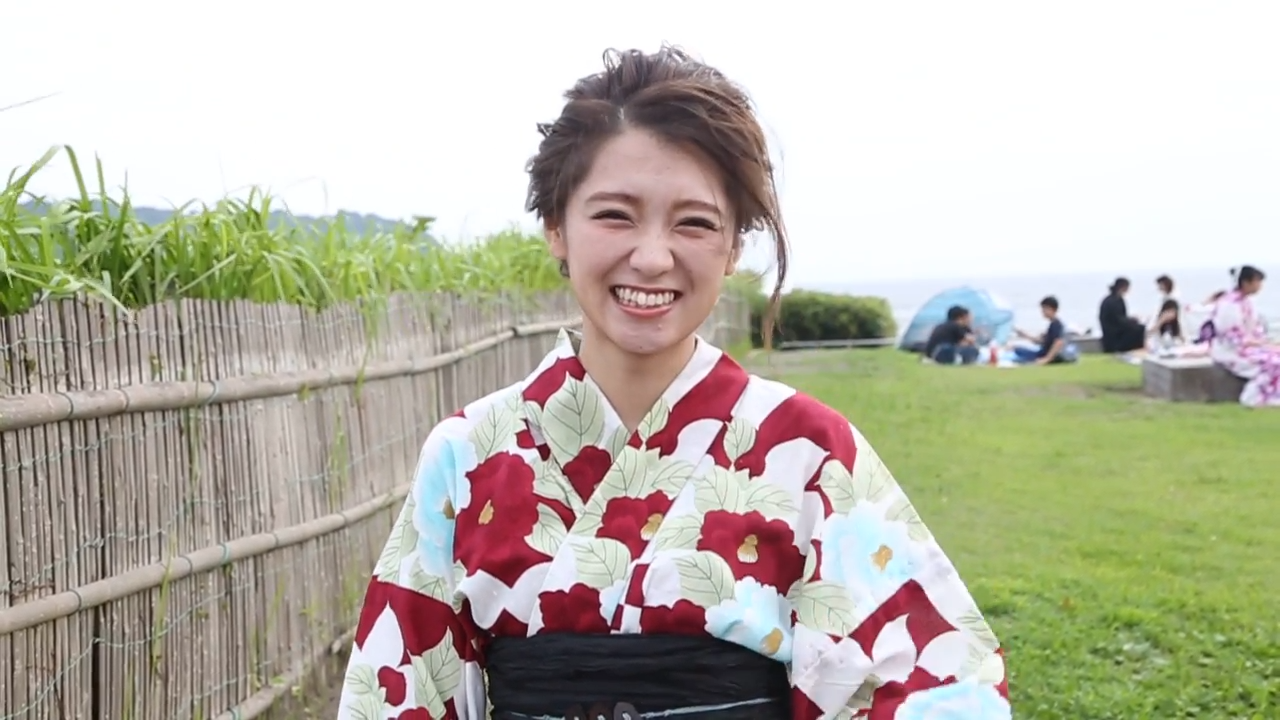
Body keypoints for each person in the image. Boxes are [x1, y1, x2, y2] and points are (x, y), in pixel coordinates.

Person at [335, 46, 1010, 720]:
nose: (653, 257)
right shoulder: (467, 454)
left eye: (694, 223)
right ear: (555, 227)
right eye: (614, 215)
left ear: (734, 246)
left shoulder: (807, 450)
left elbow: (941, 682)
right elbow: (397, 693)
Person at [1206, 265, 1280, 407]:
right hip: (1231, 351)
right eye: (1257, 281)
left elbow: (1254, 330)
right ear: (1246, 282)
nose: (1260, 286)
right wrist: (1260, 344)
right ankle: (1254, 398)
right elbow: (1231, 336)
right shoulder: (1229, 304)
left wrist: (1265, 343)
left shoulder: (1246, 302)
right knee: (1273, 362)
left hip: (1247, 346)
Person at [1012, 296, 1069, 365]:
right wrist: (1024, 335)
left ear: (1051, 309)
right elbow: (1041, 341)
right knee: (1016, 349)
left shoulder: (1056, 324)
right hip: (1042, 353)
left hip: (1043, 355)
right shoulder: (1053, 324)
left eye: (1044, 309)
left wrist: (1047, 359)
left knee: (1016, 351)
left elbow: (1058, 342)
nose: (1042, 312)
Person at [1098, 277, 1146, 353]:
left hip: (1117, 328)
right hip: (1113, 332)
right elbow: (1118, 319)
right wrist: (1131, 321)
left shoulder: (1118, 299)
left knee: (1139, 327)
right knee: (1139, 329)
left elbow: (1122, 317)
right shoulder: (1111, 301)